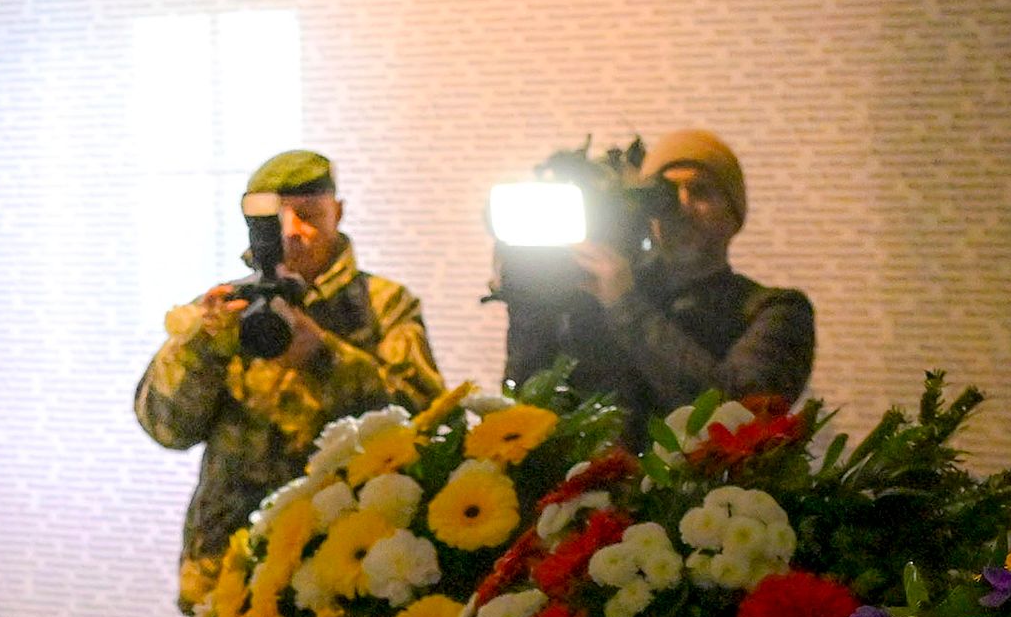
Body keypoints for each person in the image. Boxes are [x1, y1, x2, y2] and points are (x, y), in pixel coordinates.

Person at [134, 147, 444, 583]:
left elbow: (425, 422)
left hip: (353, 558)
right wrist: (203, 347)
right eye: (277, 218)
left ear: (337, 211)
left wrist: (324, 358)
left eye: (309, 214)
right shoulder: (225, 309)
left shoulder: (383, 306)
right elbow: (165, 427)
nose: (294, 232)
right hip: (231, 565)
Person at [519, 128, 814, 427]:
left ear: (733, 214)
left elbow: (736, 414)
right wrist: (525, 300)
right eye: (665, 196)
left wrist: (625, 305)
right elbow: (533, 405)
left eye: (700, 191)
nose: (681, 207)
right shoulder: (599, 291)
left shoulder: (777, 310)